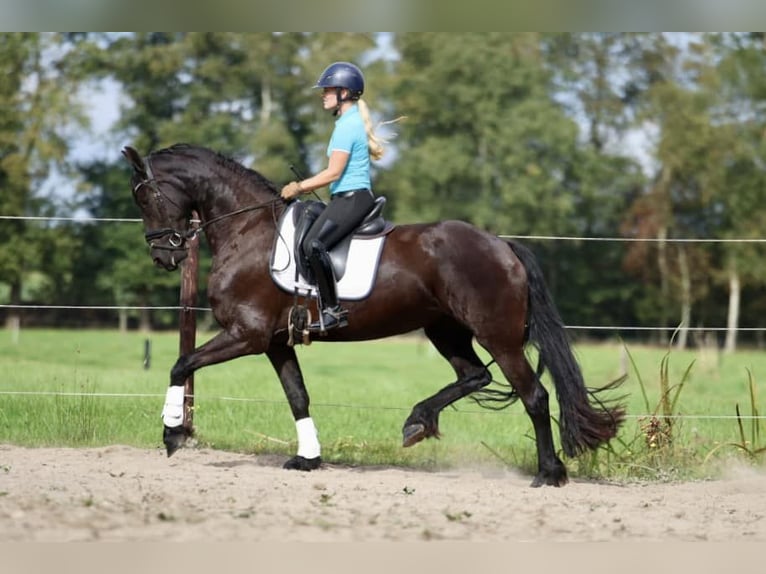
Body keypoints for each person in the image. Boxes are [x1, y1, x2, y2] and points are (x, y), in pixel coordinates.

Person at [281, 61, 387, 332]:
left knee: (315, 244)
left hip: (353, 198)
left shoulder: (346, 127)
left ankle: (333, 311)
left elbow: (333, 172)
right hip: (345, 197)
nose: (323, 94)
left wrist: (298, 187)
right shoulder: (348, 122)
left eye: (327, 90)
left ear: (344, 92)